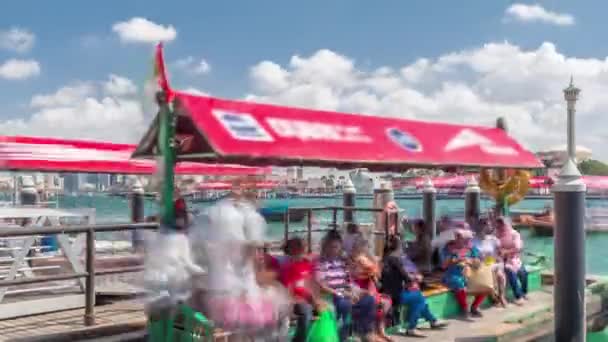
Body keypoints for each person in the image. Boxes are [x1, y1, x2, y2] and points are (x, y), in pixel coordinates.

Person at [315, 230, 377, 342]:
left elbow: (348, 281)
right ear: (326, 247)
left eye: (337, 247)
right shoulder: (321, 263)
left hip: (345, 293)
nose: (334, 250)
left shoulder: (342, 262)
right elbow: (321, 284)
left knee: (369, 300)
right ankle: (344, 336)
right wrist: (340, 293)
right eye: (332, 247)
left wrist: (356, 291)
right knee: (345, 304)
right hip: (331, 295)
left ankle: (364, 332)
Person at [381, 235, 447, 337]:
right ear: (399, 246)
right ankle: (412, 327)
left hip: (387, 293)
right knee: (419, 298)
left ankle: (433, 321)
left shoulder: (384, 259)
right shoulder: (395, 260)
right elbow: (406, 278)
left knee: (417, 298)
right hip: (395, 296)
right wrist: (416, 278)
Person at [350, 239, 392, 342]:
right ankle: (372, 333)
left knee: (384, 302)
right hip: (359, 289)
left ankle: (381, 332)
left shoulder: (366, 259)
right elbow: (355, 275)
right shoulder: (355, 260)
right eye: (364, 247)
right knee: (375, 303)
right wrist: (367, 272)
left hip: (367, 288)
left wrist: (372, 274)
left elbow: (376, 276)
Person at [441, 229, 488, 318]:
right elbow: (443, 266)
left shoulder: (471, 248)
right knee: (458, 283)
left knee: (485, 285)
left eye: (466, 238)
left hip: (470, 273)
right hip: (453, 274)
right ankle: (465, 308)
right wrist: (454, 258)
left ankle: (475, 306)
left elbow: (479, 261)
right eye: (458, 237)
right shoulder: (449, 248)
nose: (466, 241)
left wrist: (470, 261)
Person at [279, 238, 315, 342]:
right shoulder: (288, 266)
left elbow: (311, 282)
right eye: (296, 250)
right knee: (306, 311)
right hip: (295, 299)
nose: (300, 253)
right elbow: (288, 288)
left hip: (307, 297)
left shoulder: (307, 264)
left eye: (302, 249)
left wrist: (314, 298)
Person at [472, 219, 507, 308]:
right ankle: (495, 298)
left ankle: (501, 296)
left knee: (500, 275)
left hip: (492, 262)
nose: (484, 227)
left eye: (486, 225)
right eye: (483, 225)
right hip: (480, 264)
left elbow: (500, 253)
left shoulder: (493, 239)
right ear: (478, 227)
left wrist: (498, 257)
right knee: (490, 275)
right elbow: (471, 255)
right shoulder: (473, 240)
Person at [496, 216, 528, 305]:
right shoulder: (497, 234)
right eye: (498, 226)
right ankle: (518, 296)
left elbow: (518, 248)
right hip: (503, 260)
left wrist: (506, 251)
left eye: (502, 225)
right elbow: (496, 248)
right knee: (510, 272)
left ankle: (524, 292)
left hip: (514, 258)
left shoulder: (514, 234)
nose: (500, 228)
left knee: (523, 273)